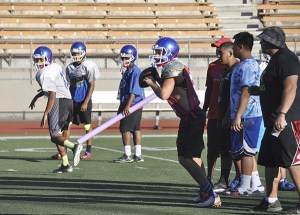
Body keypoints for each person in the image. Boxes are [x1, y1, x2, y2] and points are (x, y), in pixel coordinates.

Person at [143, 37, 221, 207]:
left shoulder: (172, 68)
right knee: (194, 157)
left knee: (184, 158)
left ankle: (211, 194)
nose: (156, 55)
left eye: (159, 52)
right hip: (192, 116)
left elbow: (164, 94)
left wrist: (151, 83)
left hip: (191, 118)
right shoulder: (176, 66)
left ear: (169, 52)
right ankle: (204, 191)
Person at [252, 26, 300, 213]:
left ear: (273, 41)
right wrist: (259, 90)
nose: (261, 42)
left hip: (286, 120)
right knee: (271, 160)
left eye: (264, 39)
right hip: (273, 121)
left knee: (293, 161)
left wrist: (282, 114)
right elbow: (276, 86)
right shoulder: (276, 59)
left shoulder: (286, 59)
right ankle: (271, 200)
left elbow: (291, 87)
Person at [29, 46, 82, 173]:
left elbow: (52, 94)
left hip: (59, 101)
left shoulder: (43, 74)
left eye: (41, 60)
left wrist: (46, 112)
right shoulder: (55, 67)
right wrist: (36, 97)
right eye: (37, 60)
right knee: (57, 134)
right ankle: (65, 164)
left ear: (48, 58)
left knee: (54, 136)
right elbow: (53, 87)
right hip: (68, 100)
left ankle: (74, 147)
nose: (39, 63)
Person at [225, 32, 265, 196]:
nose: (233, 47)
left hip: (248, 114)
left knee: (247, 151)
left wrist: (238, 115)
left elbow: (246, 92)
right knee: (240, 151)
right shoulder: (244, 64)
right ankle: (254, 184)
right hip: (243, 114)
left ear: (240, 46)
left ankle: (245, 186)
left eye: (234, 44)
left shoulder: (248, 66)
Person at [51, 42, 100, 160]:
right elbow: (66, 85)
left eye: (78, 53)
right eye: (74, 53)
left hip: (84, 100)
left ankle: (88, 151)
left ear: (83, 53)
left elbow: (92, 85)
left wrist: (86, 102)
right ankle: (64, 151)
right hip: (72, 101)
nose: (76, 55)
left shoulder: (88, 66)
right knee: (66, 127)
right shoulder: (69, 68)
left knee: (87, 126)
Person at [202, 36, 231, 191]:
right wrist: (204, 108)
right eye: (216, 48)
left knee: (228, 148)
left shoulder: (235, 65)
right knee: (212, 149)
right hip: (213, 114)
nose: (217, 50)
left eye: (219, 47)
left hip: (228, 114)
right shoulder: (212, 66)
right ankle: (208, 178)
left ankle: (225, 179)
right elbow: (209, 89)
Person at [214, 41, 239, 193]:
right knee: (224, 149)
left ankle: (242, 179)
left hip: (230, 117)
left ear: (230, 53)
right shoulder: (226, 70)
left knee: (236, 150)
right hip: (223, 115)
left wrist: (227, 116)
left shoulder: (236, 69)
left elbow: (234, 96)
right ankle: (224, 180)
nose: (218, 55)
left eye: (220, 52)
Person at [113, 45, 145, 163]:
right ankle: (138, 154)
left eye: (127, 58)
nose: (124, 60)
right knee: (136, 128)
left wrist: (127, 106)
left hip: (132, 103)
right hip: (135, 103)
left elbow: (134, 90)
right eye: (123, 58)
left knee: (125, 129)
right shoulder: (129, 70)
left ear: (133, 57)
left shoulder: (135, 71)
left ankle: (127, 155)